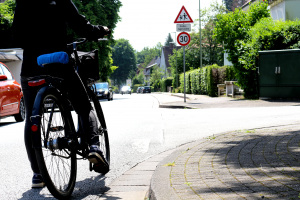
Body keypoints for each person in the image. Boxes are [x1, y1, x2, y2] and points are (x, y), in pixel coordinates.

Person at [12, 0, 110, 188]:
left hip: (32, 67)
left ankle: (38, 174)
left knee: (32, 118)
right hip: (59, 64)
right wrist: (100, 30)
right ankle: (94, 147)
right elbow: (81, 25)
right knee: (83, 105)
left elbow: (16, 36)